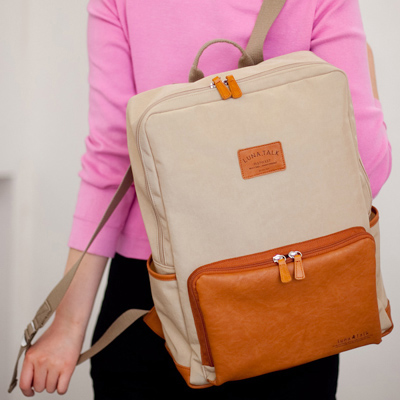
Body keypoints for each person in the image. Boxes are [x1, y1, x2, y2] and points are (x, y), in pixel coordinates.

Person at [18, 0, 391, 399]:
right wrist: (367, 68)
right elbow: (366, 164)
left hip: (152, 300)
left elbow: (112, 157)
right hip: (292, 288)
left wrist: (67, 327)